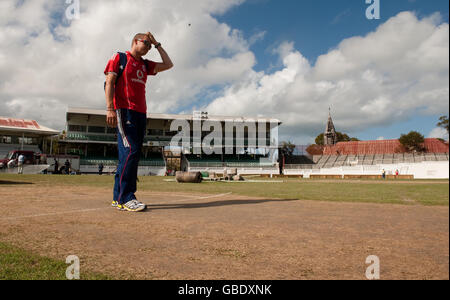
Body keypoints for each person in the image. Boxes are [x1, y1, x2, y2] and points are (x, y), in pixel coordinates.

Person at [104, 32, 173, 212]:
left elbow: (168, 64)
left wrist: (157, 43)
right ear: (136, 41)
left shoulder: (144, 64)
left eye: (150, 46)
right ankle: (127, 197)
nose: (148, 48)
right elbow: (109, 82)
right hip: (124, 111)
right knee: (130, 152)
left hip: (140, 113)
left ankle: (118, 198)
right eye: (146, 44)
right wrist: (110, 108)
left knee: (129, 155)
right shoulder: (119, 57)